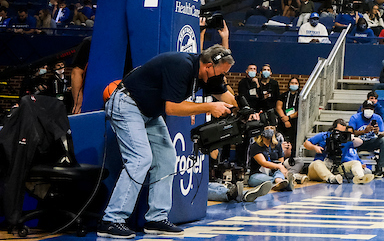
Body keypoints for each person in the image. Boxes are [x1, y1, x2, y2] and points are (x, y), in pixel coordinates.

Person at [98, 45, 236, 239]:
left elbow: (227, 98)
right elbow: (171, 107)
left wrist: (247, 111)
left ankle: (156, 218)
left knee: (167, 159)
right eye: (220, 73)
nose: (221, 78)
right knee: (141, 159)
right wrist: (209, 107)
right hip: (127, 104)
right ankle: (112, 219)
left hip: (149, 112)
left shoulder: (208, 74)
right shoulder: (182, 65)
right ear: (208, 66)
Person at [244, 124, 294, 198]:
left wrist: (281, 168)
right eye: (266, 128)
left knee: (278, 173)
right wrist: (279, 167)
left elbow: (280, 162)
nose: (269, 130)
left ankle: (279, 181)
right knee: (270, 180)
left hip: (273, 173)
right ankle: (282, 182)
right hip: (257, 174)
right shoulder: (255, 146)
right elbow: (263, 162)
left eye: (271, 128)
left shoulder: (277, 145)